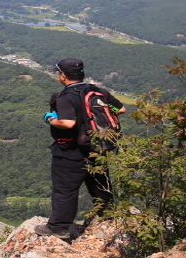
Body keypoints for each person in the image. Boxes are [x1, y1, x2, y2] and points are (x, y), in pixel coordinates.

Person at [35, 58, 126, 239]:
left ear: (62, 75)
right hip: (97, 148)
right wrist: (94, 117)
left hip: (70, 152)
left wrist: (51, 120)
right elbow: (121, 109)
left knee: (65, 190)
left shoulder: (65, 97)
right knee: (99, 184)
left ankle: (58, 227)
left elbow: (68, 123)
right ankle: (107, 217)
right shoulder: (97, 91)